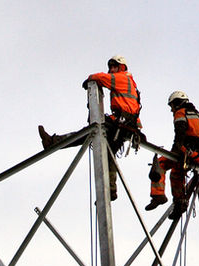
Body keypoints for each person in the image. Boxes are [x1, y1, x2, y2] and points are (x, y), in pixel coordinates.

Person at [38, 55, 142, 200]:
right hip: (125, 124)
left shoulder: (122, 78)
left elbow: (99, 77)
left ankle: (53, 142)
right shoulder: (128, 82)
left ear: (121, 67)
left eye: (114, 66)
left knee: (92, 132)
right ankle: (111, 189)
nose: (111, 70)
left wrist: (90, 80)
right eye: (110, 67)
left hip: (123, 124)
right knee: (108, 154)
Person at [145, 90, 199, 219]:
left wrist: (175, 151)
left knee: (160, 163)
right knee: (177, 173)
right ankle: (179, 205)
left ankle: (158, 195)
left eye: (171, 106)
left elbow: (180, 134)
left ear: (177, 103)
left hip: (188, 153)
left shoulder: (180, 113)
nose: (171, 110)